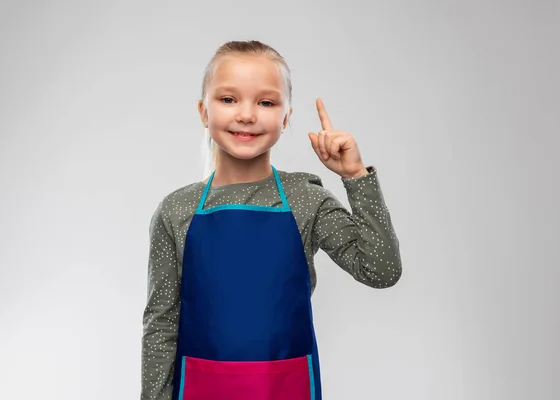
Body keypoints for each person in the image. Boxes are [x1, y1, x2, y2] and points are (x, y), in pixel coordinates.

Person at [140, 40, 402, 400]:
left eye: (266, 102)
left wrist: (356, 176)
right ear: (204, 111)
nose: (246, 114)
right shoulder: (176, 210)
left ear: (286, 117)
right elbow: (161, 325)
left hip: (285, 386)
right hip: (201, 388)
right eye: (228, 99)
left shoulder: (304, 197)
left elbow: (381, 271)